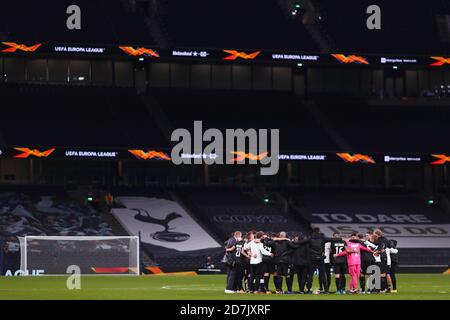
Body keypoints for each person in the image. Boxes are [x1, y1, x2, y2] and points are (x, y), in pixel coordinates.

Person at [308, 227, 334, 294]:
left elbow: (300, 242)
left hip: (312, 258)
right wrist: (342, 239)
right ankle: (326, 290)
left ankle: (308, 290)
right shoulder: (322, 238)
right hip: (320, 258)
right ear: (319, 231)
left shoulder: (310, 238)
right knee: (323, 274)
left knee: (310, 274)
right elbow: (332, 239)